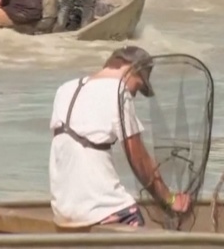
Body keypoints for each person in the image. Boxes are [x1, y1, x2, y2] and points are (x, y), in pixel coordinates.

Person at [49, 46, 191, 228]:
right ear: (132, 69)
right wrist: (168, 198)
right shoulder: (119, 91)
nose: (134, 94)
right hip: (101, 208)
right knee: (133, 216)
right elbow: (139, 159)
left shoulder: (65, 90)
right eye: (138, 86)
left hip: (63, 210)